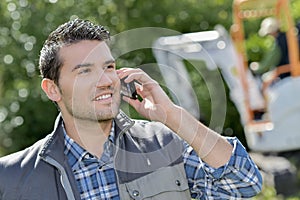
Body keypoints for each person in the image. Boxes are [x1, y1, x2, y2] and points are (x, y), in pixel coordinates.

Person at [0, 18, 262, 200]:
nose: (105, 80)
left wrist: (172, 115)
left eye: (109, 67)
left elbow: (243, 183)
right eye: (85, 71)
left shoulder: (165, 143)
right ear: (52, 89)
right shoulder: (11, 177)